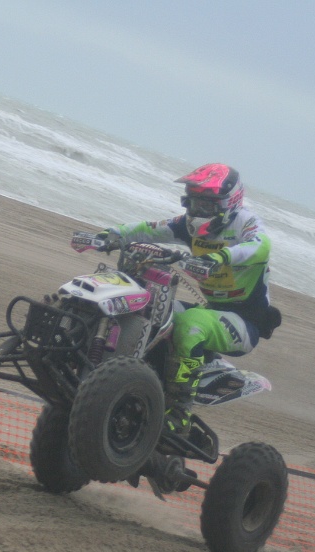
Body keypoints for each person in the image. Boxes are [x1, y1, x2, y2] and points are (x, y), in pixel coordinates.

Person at [97, 163, 280, 437]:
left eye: (206, 205)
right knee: (151, 306)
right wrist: (113, 234)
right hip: (212, 312)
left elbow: (260, 245)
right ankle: (134, 382)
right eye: (193, 203)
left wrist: (221, 257)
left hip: (245, 323)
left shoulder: (245, 222)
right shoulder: (187, 225)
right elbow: (150, 229)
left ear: (229, 202)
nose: (197, 211)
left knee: (191, 323)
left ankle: (179, 412)